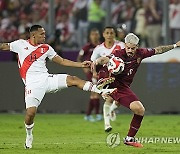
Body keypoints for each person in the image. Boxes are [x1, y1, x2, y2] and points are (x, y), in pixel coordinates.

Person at [0, 25, 116, 149]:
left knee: (73, 80)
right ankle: (29, 135)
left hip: (47, 79)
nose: (45, 36)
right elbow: (3, 46)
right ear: (33, 35)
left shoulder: (46, 48)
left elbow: (62, 61)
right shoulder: (20, 44)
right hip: (32, 85)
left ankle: (101, 90)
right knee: (30, 113)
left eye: (44, 34)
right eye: (42, 34)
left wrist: (80, 65)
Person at [94, 33, 180, 147]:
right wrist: (97, 61)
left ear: (137, 46)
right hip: (115, 84)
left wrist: (174, 45)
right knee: (137, 108)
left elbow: (158, 50)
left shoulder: (141, 53)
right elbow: (106, 59)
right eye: (128, 48)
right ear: (125, 45)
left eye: (132, 48)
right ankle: (107, 97)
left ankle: (129, 138)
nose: (130, 50)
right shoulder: (118, 54)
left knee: (139, 110)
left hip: (124, 86)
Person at [90, 26, 125, 132]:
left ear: (115, 34)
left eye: (111, 33)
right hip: (106, 77)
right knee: (110, 98)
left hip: (121, 76)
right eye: (107, 33)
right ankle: (107, 124)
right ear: (103, 35)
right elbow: (92, 62)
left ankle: (112, 110)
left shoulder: (121, 45)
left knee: (119, 100)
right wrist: (95, 73)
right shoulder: (99, 48)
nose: (109, 35)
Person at [77, 28, 102, 122]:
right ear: (90, 36)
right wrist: (84, 68)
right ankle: (97, 114)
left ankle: (88, 115)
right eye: (93, 34)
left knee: (94, 93)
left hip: (100, 72)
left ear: (99, 35)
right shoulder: (87, 47)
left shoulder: (101, 46)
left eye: (96, 34)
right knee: (96, 91)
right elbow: (79, 58)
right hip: (92, 73)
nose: (95, 36)